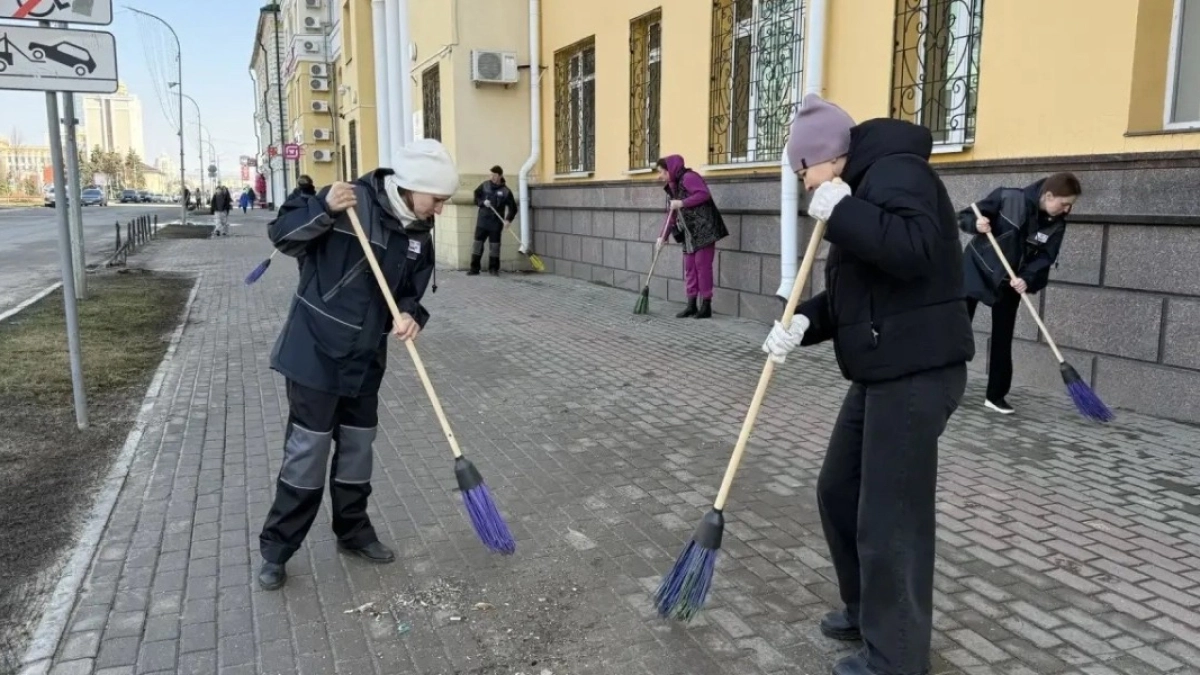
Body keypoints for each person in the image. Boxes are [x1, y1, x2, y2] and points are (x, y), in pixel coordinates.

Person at [762, 93, 974, 675]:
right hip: (884, 369)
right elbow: (859, 297)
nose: (806, 186)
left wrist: (845, 211)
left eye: (804, 173)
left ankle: (897, 657)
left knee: (892, 517)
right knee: (839, 488)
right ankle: (867, 611)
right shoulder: (857, 190)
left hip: (917, 371)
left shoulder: (898, 171)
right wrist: (802, 323)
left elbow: (913, 250)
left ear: (826, 157)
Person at [256, 139, 458, 591]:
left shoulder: (418, 233)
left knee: (356, 451)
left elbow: (412, 290)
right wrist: (323, 208)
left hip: (365, 360)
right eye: (437, 199)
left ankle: (353, 532)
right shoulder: (349, 201)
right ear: (412, 187)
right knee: (307, 455)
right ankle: (277, 548)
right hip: (315, 352)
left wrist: (410, 314)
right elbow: (282, 235)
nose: (440, 209)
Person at [960, 172, 1081, 415]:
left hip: (1011, 282)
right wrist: (976, 224)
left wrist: (1026, 278)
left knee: (1003, 337)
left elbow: (1045, 256)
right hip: (977, 269)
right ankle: (943, 385)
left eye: (1070, 205)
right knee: (957, 330)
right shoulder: (1008, 198)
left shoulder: (1056, 224)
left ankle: (995, 396)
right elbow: (966, 215)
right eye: (1064, 203)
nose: (1067, 210)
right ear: (1048, 196)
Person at [654, 155, 728, 318]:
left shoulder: (689, 177)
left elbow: (703, 194)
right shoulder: (672, 187)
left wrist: (682, 203)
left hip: (704, 229)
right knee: (689, 268)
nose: (660, 176)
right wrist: (662, 237)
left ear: (670, 170)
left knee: (702, 267)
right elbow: (671, 215)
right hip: (689, 233)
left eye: (662, 172)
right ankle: (691, 304)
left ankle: (706, 305)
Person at [470, 165, 515, 276]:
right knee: (477, 245)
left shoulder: (506, 191)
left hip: (496, 223)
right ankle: (474, 269)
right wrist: (482, 202)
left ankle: (493, 269)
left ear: (500, 176)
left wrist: (508, 220)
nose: (492, 177)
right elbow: (476, 196)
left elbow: (513, 208)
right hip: (482, 221)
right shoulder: (485, 185)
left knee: (494, 247)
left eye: (494, 175)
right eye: (491, 175)